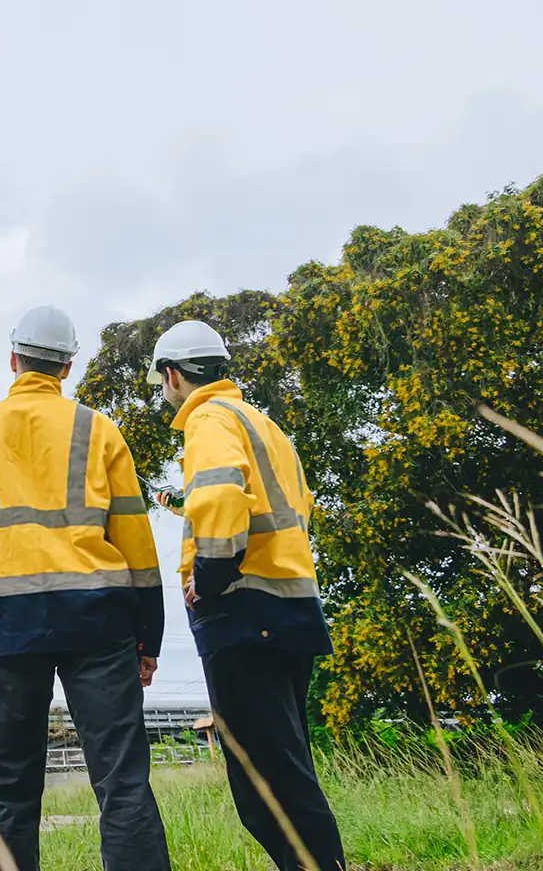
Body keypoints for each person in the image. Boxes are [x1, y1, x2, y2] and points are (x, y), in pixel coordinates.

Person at [0, 304, 172, 871]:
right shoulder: (99, 431)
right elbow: (139, 547)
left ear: (13, 359)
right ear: (67, 367)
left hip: (4, 627)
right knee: (122, 782)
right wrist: (152, 639)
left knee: (7, 792)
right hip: (99, 621)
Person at [149, 319, 344, 871]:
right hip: (291, 609)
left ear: (172, 376)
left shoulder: (208, 419)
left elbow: (218, 497)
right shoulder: (263, 424)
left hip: (245, 614)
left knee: (267, 791)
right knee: (289, 773)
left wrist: (207, 578)